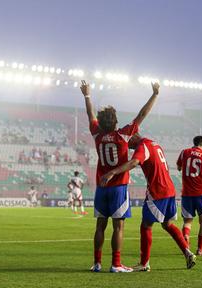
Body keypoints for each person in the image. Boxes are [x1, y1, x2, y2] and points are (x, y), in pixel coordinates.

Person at [80, 80, 160, 273]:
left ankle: (97, 263)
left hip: (101, 187)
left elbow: (90, 114)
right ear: (115, 121)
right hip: (118, 187)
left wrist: (87, 95)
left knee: (100, 225)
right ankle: (116, 264)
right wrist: (155, 94)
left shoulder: (97, 134)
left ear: (100, 122)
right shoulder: (123, 135)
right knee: (118, 227)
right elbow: (142, 114)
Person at [100, 133, 197, 271]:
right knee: (168, 224)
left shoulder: (142, 146)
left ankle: (144, 263)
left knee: (145, 225)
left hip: (158, 191)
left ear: (134, 137)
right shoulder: (154, 143)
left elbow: (134, 162)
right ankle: (188, 253)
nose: (130, 147)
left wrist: (113, 172)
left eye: (129, 143)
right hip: (169, 189)